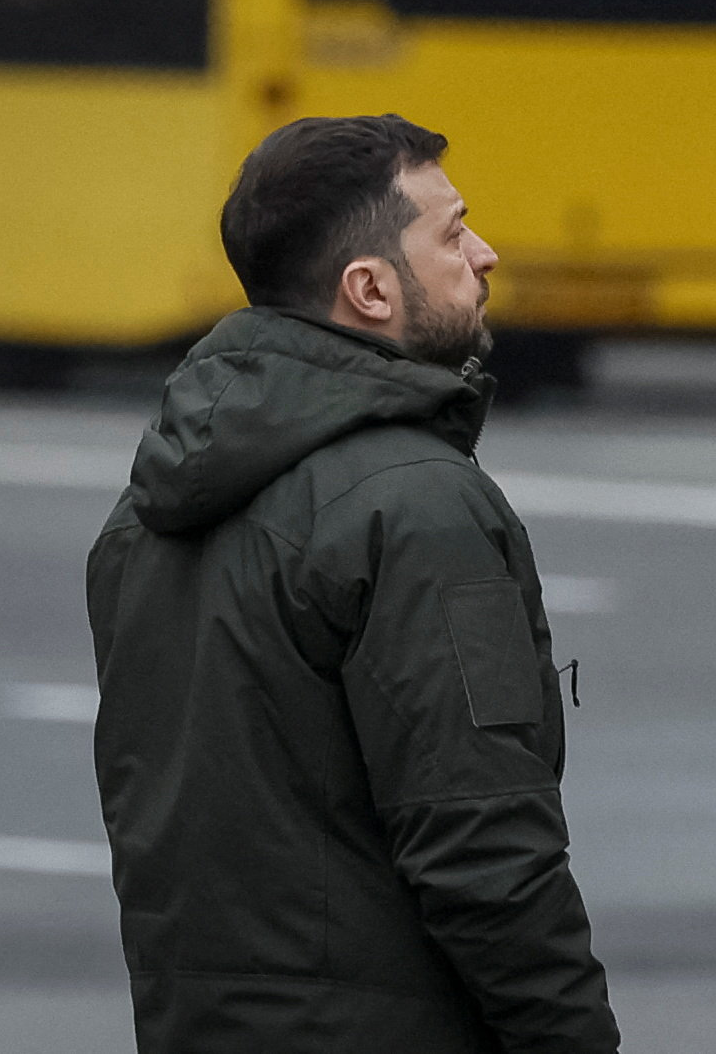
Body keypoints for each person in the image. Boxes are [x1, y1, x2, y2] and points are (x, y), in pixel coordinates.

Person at [87, 115, 619, 1052]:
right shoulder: (418, 509)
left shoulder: (143, 519)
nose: (484, 254)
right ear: (369, 289)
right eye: (451, 233)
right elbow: (482, 844)